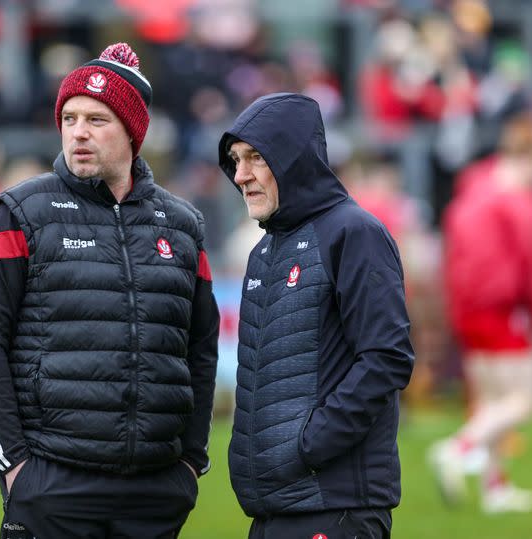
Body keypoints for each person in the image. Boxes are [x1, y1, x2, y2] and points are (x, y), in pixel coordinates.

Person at [0, 42, 219, 539]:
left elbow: (201, 350)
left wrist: (190, 462)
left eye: (97, 120)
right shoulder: (19, 212)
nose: (78, 132)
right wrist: (13, 466)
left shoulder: (185, 225)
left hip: (155, 493)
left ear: (132, 130)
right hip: (51, 485)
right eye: (70, 118)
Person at [218, 93, 415, 539]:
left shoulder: (355, 233)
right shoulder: (263, 251)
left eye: (255, 158)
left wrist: (308, 446)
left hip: (334, 505)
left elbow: (387, 356)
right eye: (235, 159)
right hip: (273, 508)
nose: (241, 174)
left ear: (292, 159)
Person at [431, 113, 532, 514]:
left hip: (467, 306)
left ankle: (495, 487)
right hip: (503, 306)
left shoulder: (472, 190)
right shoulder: (518, 201)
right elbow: (531, 263)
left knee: (490, 400)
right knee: (524, 399)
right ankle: (457, 449)